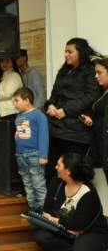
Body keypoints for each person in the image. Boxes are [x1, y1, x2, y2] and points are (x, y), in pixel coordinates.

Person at [35, 153, 108, 251]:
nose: (55, 167)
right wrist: (66, 224)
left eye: (59, 164)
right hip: (67, 230)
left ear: (68, 171)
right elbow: (47, 210)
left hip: (93, 233)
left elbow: (78, 225)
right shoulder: (56, 183)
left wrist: (55, 220)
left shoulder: (88, 191)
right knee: (41, 237)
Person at [44, 38, 101, 178]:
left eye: (70, 52)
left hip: (76, 132)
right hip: (56, 129)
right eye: (65, 51)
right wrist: (50, 105)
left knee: (74, 173)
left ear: (80, 52)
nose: (66, 55)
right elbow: (54, 94)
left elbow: (91, 96)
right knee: (53, 170)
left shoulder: (90, 70)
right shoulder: (64, 71)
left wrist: (66, 110)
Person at [13, 87, 49, 214]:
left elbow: (44, 136)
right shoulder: (19, 116)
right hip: (20, 155)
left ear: (27, 100)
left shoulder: (38, 115)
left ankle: (43, 210)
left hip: (34, 155)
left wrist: (43, 155)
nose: (14, 104)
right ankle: (33, 208)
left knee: (38, 183)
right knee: (27, 183)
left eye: (17, 101)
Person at [80, 58, 108, 181]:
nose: (96, 76)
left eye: (99, 72)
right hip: (101, 146)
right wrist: (92, 121)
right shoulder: (103, 92)